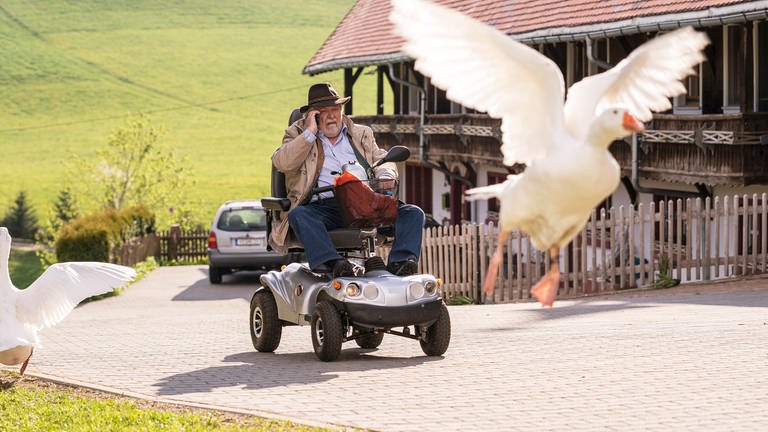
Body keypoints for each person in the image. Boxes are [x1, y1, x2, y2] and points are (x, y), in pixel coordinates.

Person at [271, 83, 425, 278]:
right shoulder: (297, 134)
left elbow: (380, 160)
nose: (332, 116)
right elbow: (282, 163)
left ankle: (401, 265)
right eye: (324, 111)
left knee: (413, 213)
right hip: (324, 206)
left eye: (335, 109)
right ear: (313, 114)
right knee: (299, 215)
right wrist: (309, 133)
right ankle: (335, 264)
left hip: (362, 201)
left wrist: (386, 174)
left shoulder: (361, 133)